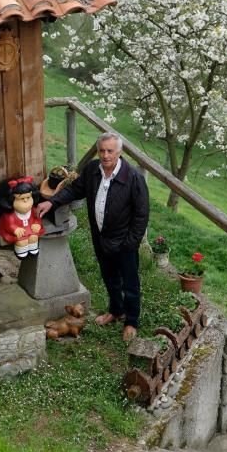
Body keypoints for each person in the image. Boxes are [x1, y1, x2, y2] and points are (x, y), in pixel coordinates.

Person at [36, 132, 149, 341]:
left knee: (130, 284)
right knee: (110, 278)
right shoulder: (92, 171)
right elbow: (75, 190)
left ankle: (131, 321)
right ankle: (115, 311)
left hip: (124, 241)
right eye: (102, 151)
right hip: (101, 237)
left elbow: (141, 216)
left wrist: (130, 244)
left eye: (110, 151)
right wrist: (52, 202)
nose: (105, 155)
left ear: (119, 152)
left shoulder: (133, 178)